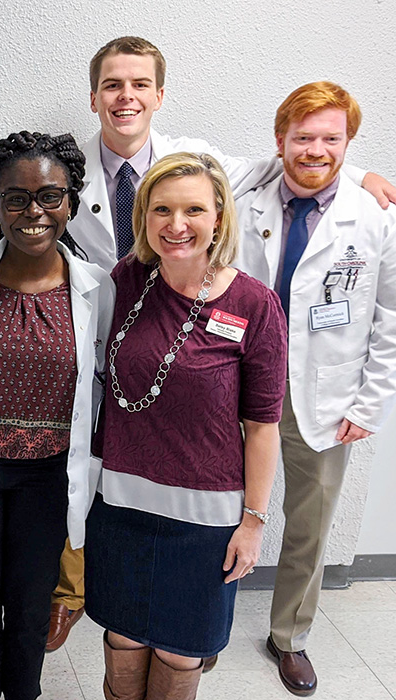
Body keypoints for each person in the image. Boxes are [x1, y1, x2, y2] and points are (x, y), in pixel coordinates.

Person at [51, 35, 396, 657]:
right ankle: (138, 611)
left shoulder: (200, 161)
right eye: (111, 85)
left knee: (298, 514)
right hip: (149, 354)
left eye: (138, 85)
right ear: (95, 95)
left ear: (160, 95)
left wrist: (363, 174)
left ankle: (285, 635)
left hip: (305, 376)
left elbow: (292, 161)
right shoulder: (73, 173)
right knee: (155, 491)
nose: (125, 97)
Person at [83, 152, 288, 700]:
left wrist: (253, 523)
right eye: (162, 210)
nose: (177, 225)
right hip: (122, 505)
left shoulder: (254, 304)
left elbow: (263, 426)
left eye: (194, 209)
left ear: (219, 215)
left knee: (180, 647)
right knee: (123, 639)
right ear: (144, 217)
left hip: (205, 520)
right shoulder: (127, 280)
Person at [0, 131, 115, 700]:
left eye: (50, 197)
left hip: (50, 477)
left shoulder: (97, 289)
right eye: (15, 198)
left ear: (72, 204)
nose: (34, 212)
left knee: (32, 608)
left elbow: (105, 387)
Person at [235, 82, 396, 697]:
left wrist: (368, 402)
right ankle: (208, 626)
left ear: (349, 143)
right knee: (226, 511)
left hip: (326, 397)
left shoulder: (373, 214)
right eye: (303, 137)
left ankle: (289, 636)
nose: (316, 150)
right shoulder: (246, 195)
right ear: (280, 141)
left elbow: (388, 315)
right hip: (242, 386)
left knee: (310, 522)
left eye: (332, 138)